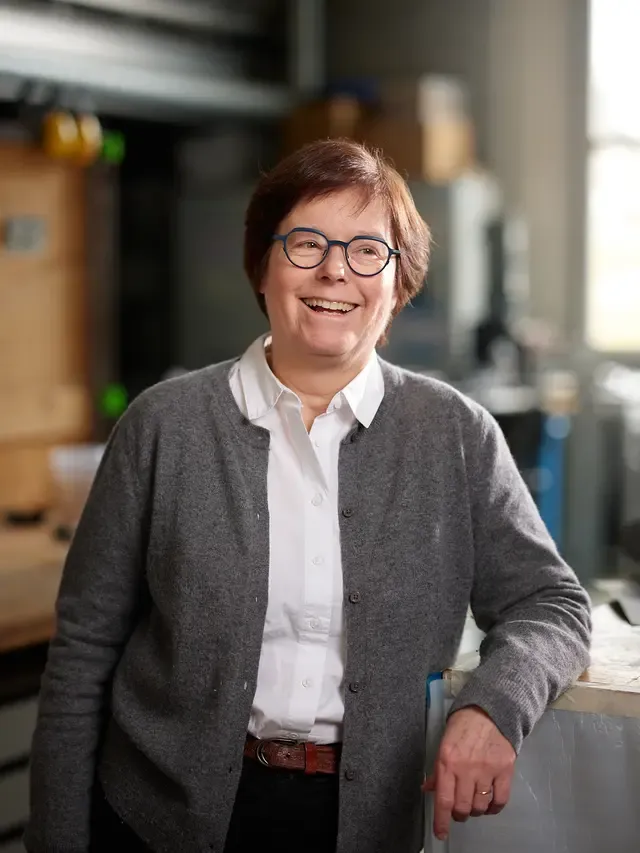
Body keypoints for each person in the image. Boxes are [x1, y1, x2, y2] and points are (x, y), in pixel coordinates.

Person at [25, 138, 591, 853]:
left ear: (399, 283)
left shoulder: (455, 433)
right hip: (157, 816)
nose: (334, 270)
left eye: (367, 250)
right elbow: (83, 648)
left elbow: (552, 605)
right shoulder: (163, 425)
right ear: (262, 265)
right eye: (305, 243)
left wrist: (494, 707)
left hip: (364, 822)